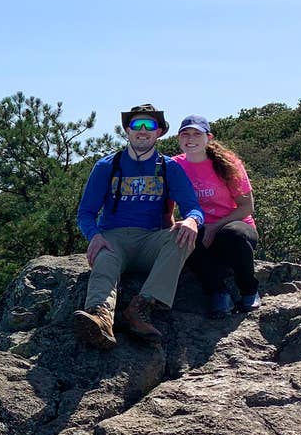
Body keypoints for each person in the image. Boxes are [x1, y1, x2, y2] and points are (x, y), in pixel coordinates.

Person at [73, 104, 204, 348]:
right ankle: (100, 318)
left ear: (159, 132)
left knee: (182, 238)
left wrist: (191, 220)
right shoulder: (107, 166)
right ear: (127, 130)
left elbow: (192, 207)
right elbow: (86, 213)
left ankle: (141, 307)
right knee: (104, 260)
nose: (142, 131)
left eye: (150, 125)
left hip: (151, 240)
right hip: (114, 239)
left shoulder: (169, 167)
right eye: (136, 125)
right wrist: (94, 236)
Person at [173, 115, 261, 317]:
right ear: (178, 138)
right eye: (185, 134)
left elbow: (247, 206)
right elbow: (167, 206)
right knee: (183, 236)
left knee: (233, 234)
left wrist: (216, 226)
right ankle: (218, 293)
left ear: (209, 137)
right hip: (200, 231)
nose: (190, 138)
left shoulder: (228, 163)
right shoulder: (175, 166)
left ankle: (249, 290)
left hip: (234, 228)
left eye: (197, 133)